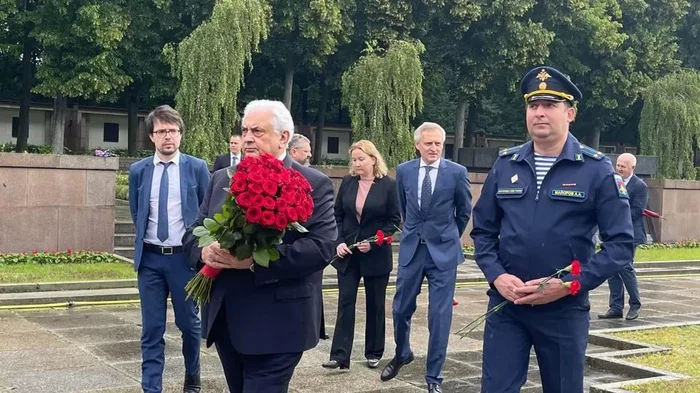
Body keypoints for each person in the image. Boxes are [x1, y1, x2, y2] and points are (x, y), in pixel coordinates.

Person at [470, 66, 635, 393]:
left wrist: (571, 284)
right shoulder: (506, 164)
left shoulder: (596, 169)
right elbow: (483, 233)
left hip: (563, 311)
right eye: (533, 105)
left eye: (550, 105)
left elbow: (620, 245)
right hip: (508, 307)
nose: (540, 113)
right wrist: (496, 276)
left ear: (570, 113)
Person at [182, 100, 337, 393]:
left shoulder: (313, 184)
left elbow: (321, 247)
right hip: (227, 320)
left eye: (257, 130)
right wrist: (204, 252)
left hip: (278, 326)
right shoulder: (220, 179)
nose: (248, 138)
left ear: (284, 137)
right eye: (244, 130)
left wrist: (253, 260)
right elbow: (192, 233)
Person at [380, 122, 472, 393]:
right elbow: (405, 208)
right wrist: (416, 234)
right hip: (412, 250)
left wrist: (446, 237)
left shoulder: (456, 172)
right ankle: (402, 352)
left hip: (443, 254)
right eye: (429, 143)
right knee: (400, 308)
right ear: (418, 144)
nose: (434, 148)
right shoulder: (405, 171)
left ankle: (434, 377)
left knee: (439, 317)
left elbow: (464, 211)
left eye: (438, 144)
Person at [128, 105, 211, 393]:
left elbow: (207, 213)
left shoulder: (197, 168)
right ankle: (152, 388)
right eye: (162, 131)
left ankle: (192, 375)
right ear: (151, 136)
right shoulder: (139, 171)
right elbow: (136, 212)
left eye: (173, 131)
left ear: (180, 134)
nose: (168, 137)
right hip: (150, 259)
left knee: (189, 325)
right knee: (152, 329)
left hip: (183, 260)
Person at [322, 140, 401, 371]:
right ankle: (339, 356)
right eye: (354, 160)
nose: (356, 164)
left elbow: (394, 222)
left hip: (375, 255)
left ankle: (374, 352)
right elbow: (336, 215)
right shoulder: (347, 182)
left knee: (375, 305)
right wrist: (338, 242)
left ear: (373, 159)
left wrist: (375, 243)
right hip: (347, 255)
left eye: (360, 159)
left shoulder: (389, 185)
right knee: (345, 303)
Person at [599, 153, 647, 320]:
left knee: (625, 268)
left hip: (630, 234)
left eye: (623, 167)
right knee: (612, 270)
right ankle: (616, 307)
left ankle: (635, 305)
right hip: (611, 233)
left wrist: (615, 215)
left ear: (632, 168)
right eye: (617, 165)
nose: (618, 169)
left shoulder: (639, 186)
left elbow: (637, 210)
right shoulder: (611, 182)